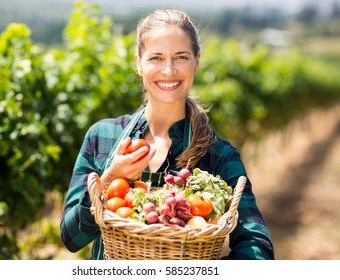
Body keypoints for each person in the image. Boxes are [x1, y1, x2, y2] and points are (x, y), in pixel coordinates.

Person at [60, 8, 275, 260]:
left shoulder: (219, 155)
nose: (169, 70)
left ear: (197, 62)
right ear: (138, 64)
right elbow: (71, 237)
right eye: (156, 58)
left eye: (181, 57)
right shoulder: (102, 136)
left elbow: (257, 244)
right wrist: (109, 179)